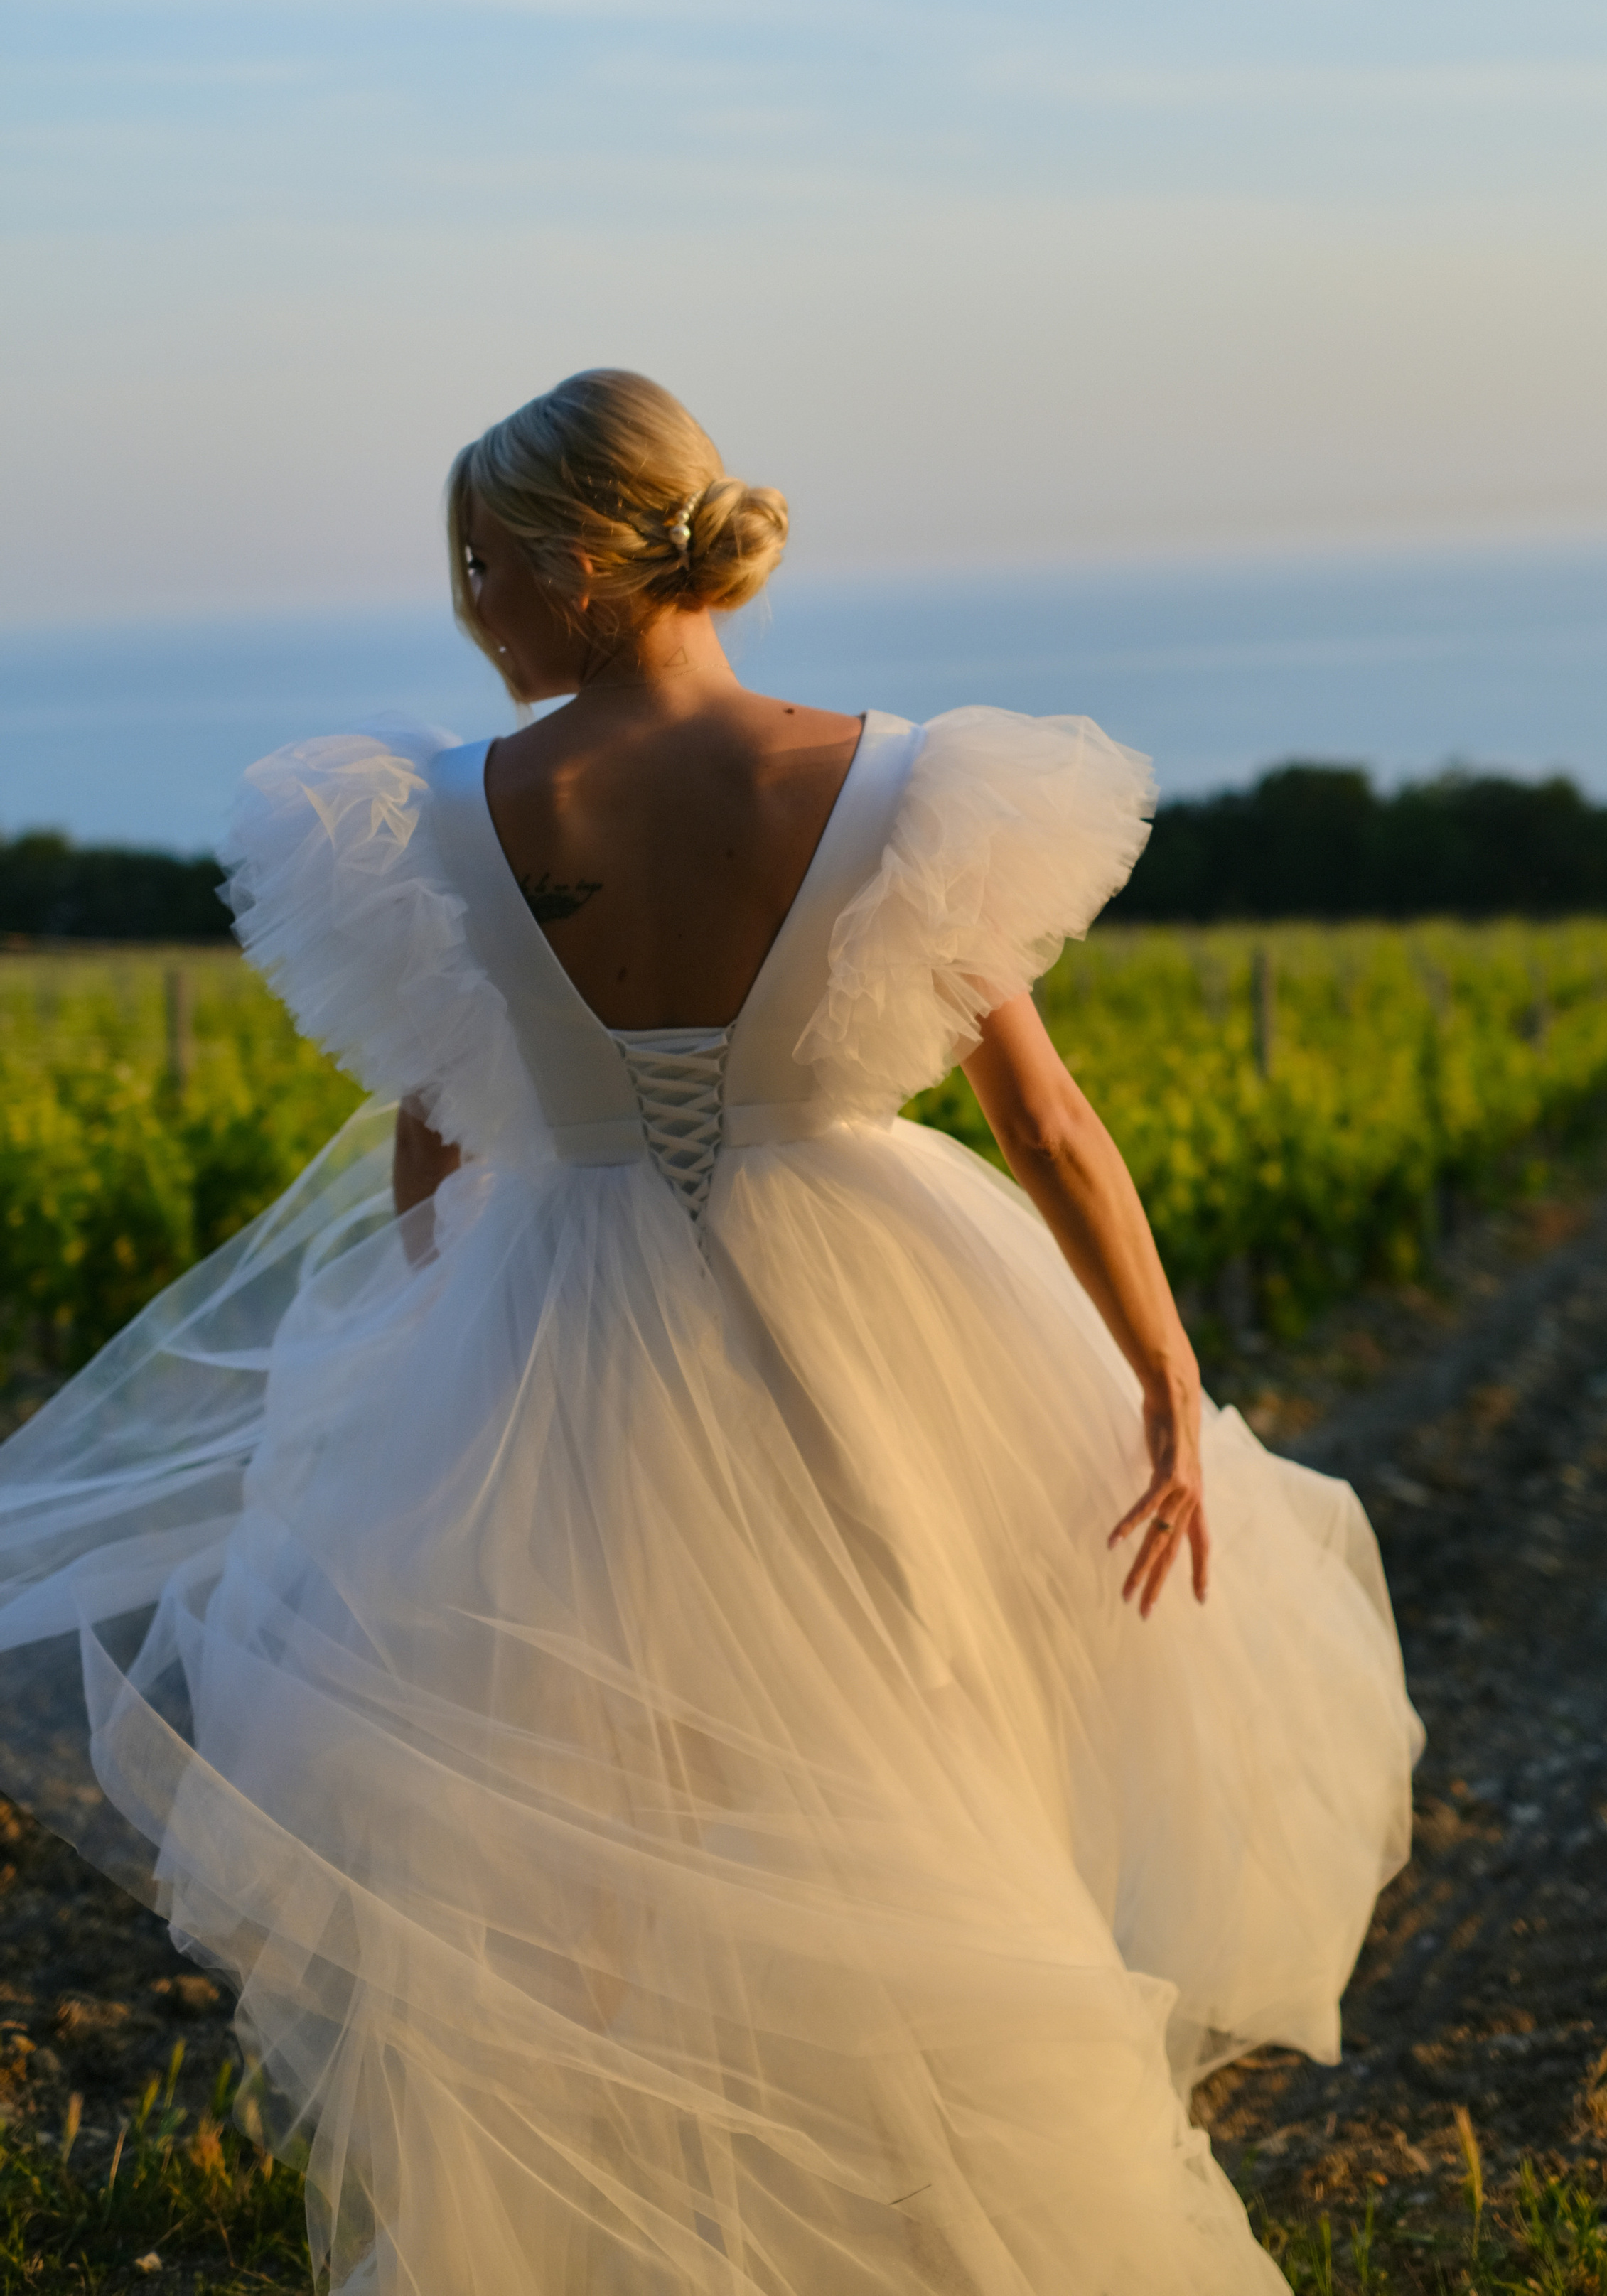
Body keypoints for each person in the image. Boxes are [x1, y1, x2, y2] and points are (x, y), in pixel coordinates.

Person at [0, 370, 1421, 2295]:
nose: (470, 608)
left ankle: (623, 2225)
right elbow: (1044, 1125)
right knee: (901, 1749)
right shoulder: (904, 789)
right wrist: (1162, 1371)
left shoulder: (445, 815)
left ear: (584, 563)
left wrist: (447, 1361)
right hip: (872, 1306)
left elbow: (438, 1142)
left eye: (485, 566)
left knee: (583, 1799)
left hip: (564, 1315)